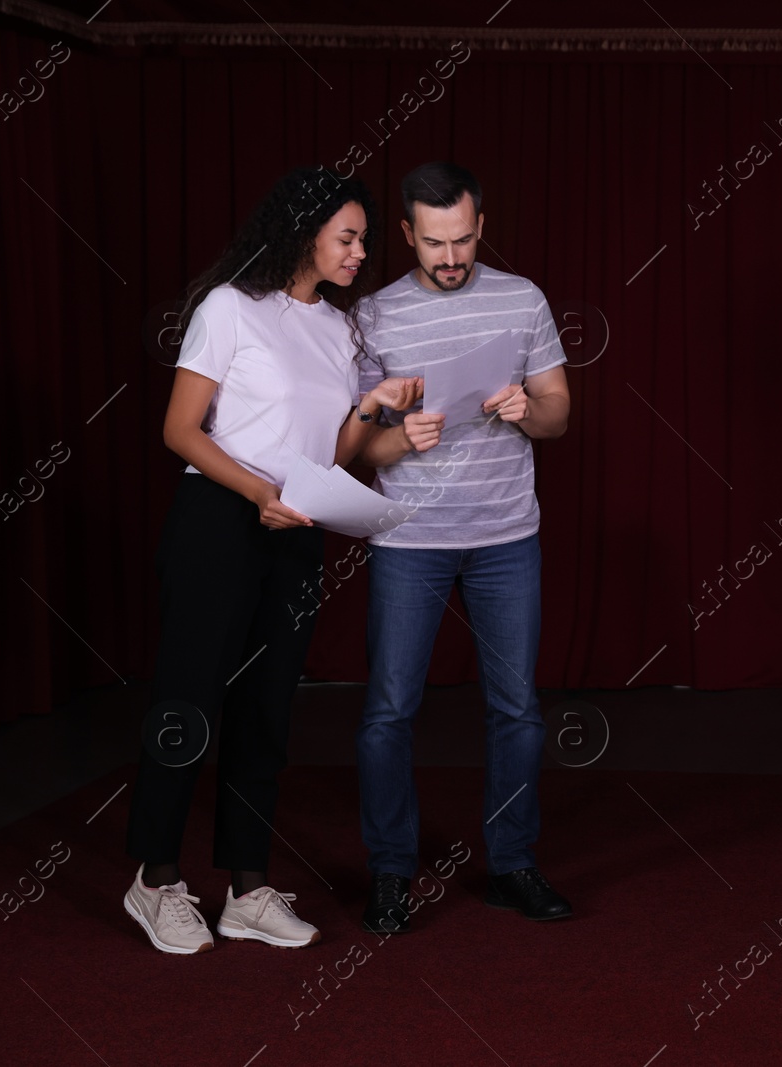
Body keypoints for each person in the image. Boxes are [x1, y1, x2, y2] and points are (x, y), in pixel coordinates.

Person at [124, 168, 420, 954]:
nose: (361, 252)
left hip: (296, 525)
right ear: (301, 232)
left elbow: (332, 452)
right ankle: (155, 881)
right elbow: (181, 430)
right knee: (189, 703)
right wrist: (257, 490)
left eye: (364, 239)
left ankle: (247, 889)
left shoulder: (339, 329)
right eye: (348, 237)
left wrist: (369, 408)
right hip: (219, 519)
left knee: (266, 710)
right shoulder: (230, 307)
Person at [355, 162, 572, 934]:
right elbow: (356, 449)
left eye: (465, 239)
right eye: (435, 242)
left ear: (482, 226)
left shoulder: (523, 299)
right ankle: (389, 872)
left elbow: (557, 417)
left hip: (507, 534)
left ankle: (511, 864)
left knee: (516, 710)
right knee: (388, 710)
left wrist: (524, 410)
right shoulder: (374, 315)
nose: (452, 257)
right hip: (409, 538)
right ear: (408, 233)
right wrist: (393, 438)